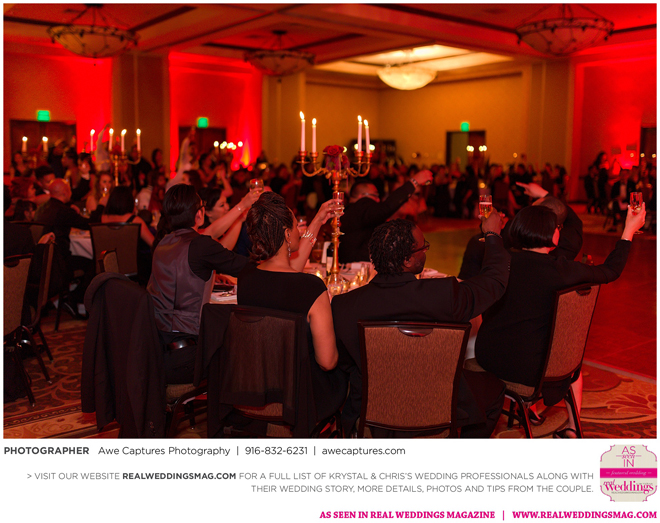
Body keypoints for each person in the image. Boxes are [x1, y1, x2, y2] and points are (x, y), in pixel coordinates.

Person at [475, 203, 645, 437]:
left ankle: (527, 412)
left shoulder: (500, 261)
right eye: (557, 227)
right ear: (549, 233)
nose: (559, 231)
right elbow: (610, 271)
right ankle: (573, 429)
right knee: (572, 362)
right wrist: (628, 231)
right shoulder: (561, 270)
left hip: (491, 357)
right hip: (537, 369)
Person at [332, 214, 510, 438]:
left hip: (371, 411)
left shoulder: (343, 305)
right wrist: (492, 235)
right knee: (494, 389)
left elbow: (343, 363)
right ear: (407, 260)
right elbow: (494, 281)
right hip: (439, 405)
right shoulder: (444, 295)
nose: (425, 251)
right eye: (423, 247)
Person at [237, 192, 347, 422]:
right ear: (287, 234)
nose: (299, 230)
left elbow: (287, 275)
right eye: (297, 226)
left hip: (258, 387)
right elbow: (327, 362)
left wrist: (317, 221)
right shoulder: (311, 288)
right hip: (301, 396)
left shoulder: (246, 278)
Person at [147, 184, 255, 384]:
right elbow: (246, 268)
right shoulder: (200, 245)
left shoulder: (163, 242)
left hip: (155, 350)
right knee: (248, 346)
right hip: (186, 358)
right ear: (199, 214)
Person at [458, 182, 583, 280]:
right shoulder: (570, 243)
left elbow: (488, 235)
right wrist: (545, 195)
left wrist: (493, 225)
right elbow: (571, 218)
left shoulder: (512, 241)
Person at [339, 169, 432, 263]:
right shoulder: (361, 205)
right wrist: (414, 182)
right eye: (375, 195)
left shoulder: (351, 211)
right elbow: (385, 209)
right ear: (361, 196)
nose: (378, 200)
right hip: (358, 264)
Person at [102, 186, 155, 285]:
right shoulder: (134, 220)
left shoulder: (102, 218)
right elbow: (153, 243)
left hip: (106, 269)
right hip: (132, 270)